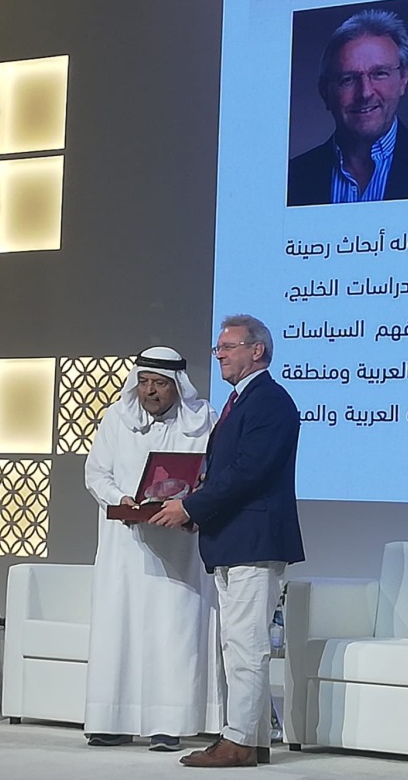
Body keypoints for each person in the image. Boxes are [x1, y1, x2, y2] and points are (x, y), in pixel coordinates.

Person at [152, 315, 305, 768]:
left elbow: (248, 473)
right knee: (237, 644)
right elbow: (225, 473)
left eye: (228, 347)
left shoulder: (270, 402)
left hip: (254, 540)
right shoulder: (241, 402)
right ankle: (252, 740)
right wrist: (194, 501)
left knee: (246, 644)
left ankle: (238, 740)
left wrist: (192, 508)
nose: (219, 355)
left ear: (257, 350)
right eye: (218, 348)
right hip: (233, 538)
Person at [82, 347, 224, 752]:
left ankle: (170, 723)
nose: (150, 391)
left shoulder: (204, 421)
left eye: (160, 384)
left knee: (173, 631)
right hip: (125, 544)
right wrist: (120, 498)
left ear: (177, 386)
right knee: (120, 627)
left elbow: (213, 474)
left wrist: (189, 504)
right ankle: (113, 719)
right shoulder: (117, 418)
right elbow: (97, 471)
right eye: (144, 382)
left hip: (178, 545)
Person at [287, 8, 408, 206]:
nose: (365, 93)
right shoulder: (291, 178)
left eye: (379, 73)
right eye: (348, 79)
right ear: (324, 91)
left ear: (403, 79)